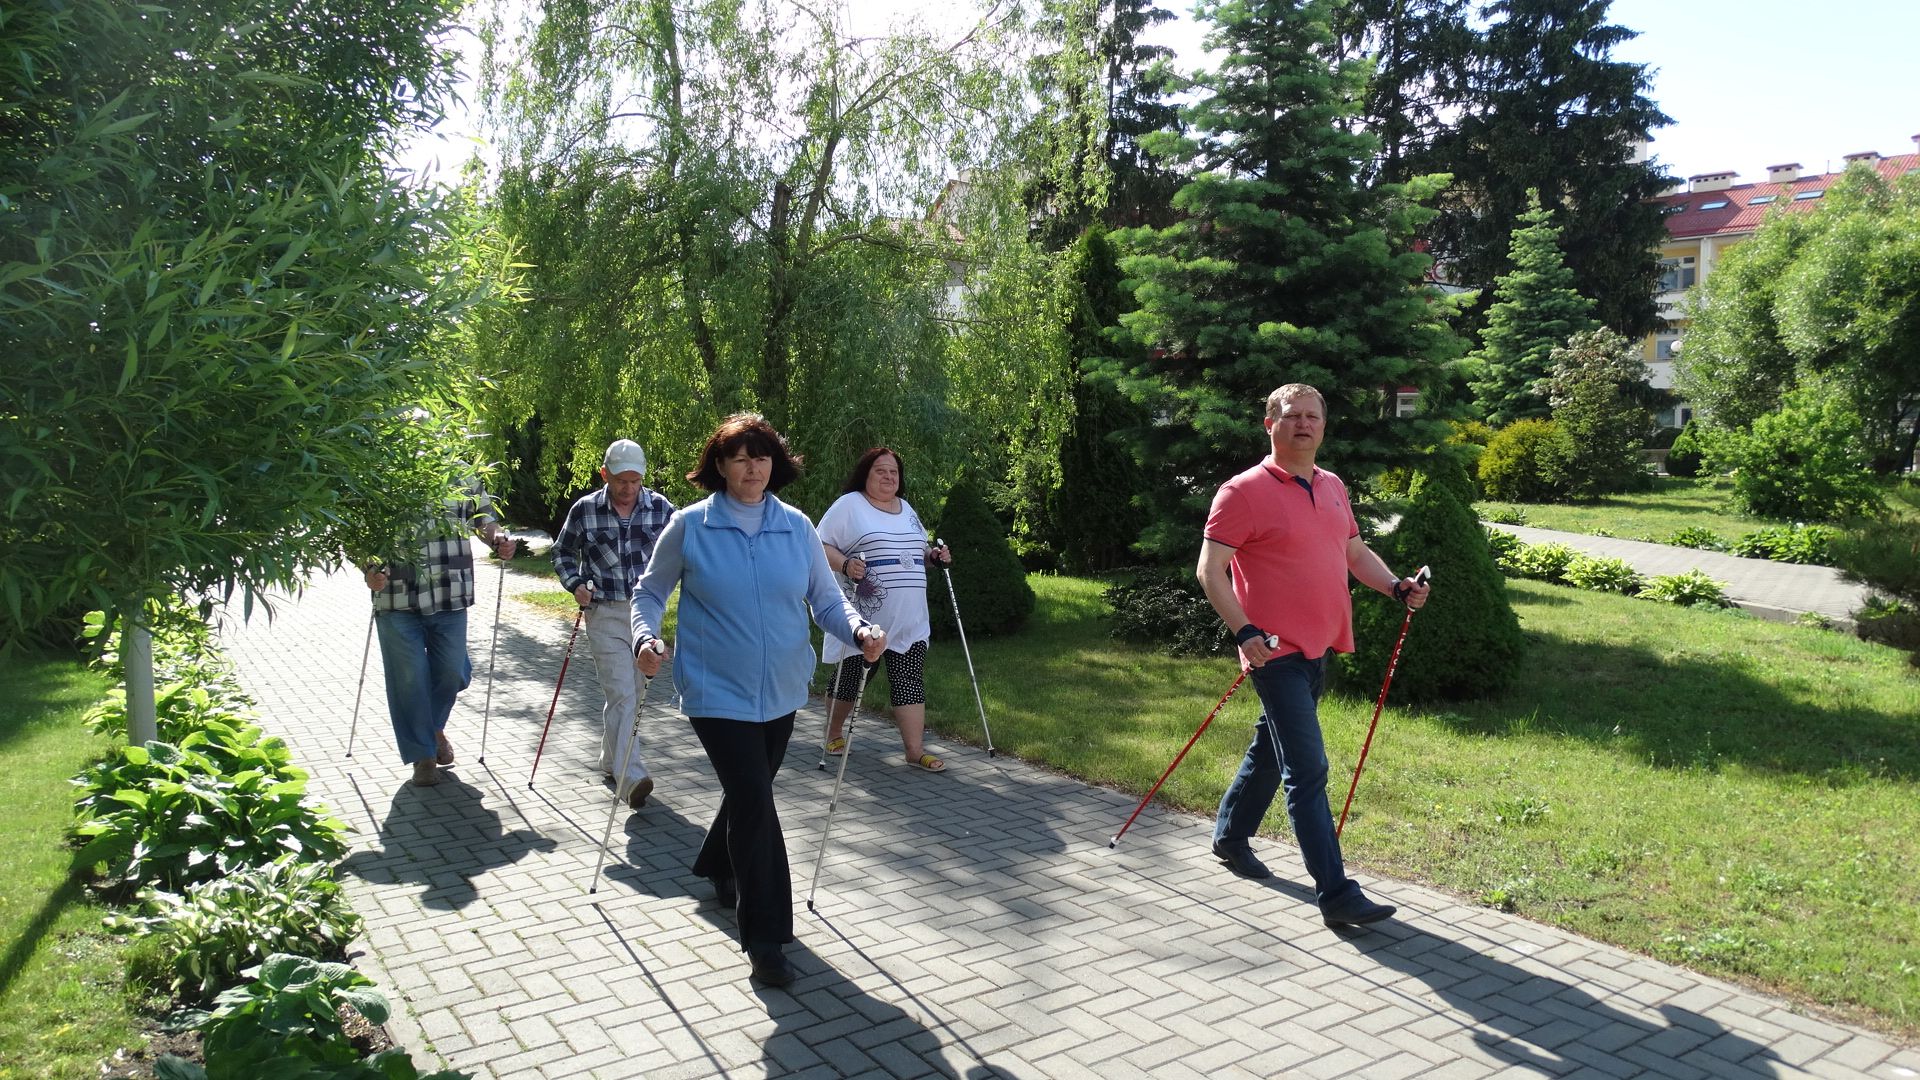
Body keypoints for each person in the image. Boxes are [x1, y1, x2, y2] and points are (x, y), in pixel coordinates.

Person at [632, 414, 884, 988]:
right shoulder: (690, 526)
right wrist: (644, 638)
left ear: (776, 464)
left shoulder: (795, 527)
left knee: (752, 791)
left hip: (782, 690)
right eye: (740, 458)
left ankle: (717, 864)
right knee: (754, 801)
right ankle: (767, 938)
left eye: (762, 457)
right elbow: (648, 593)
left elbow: (826, 600)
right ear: (720, 466)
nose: (752, 468)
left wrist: (858, 630)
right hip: (715, 691)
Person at [1197, 383, 1431, 928]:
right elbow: (1210, 571)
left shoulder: (1332, 485)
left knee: (1270, 749)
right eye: (1291, 415)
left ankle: (1230, 836)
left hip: (1319, 645)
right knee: (1307, 769)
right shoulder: (1241, 492)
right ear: (1270, 424)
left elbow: (1353, 551)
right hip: (1273, 651)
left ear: (1323, 426)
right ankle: (1337, 893)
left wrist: (1395, 586)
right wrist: (1244, 632)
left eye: (1312, 416)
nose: (1303, 424)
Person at [361, 477, 516, 787]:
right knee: (409, 679)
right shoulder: (380, 466)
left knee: (453, 672)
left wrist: (498, 538)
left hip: (450, 591)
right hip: (396, 595)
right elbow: (362, 528)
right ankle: (423, 756)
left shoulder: (464, 473)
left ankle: (433, 729)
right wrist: (368, 569)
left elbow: (483, 518)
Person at [550, 439, 677, 809]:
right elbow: (562, 552)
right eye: (621, 480)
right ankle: (630, 776)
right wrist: (575, 584)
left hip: (646, 613)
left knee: (633, 692)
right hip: (603, 612)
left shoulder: (661, 508)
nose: (629, 488)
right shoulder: (585, 509)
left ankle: (610, 760)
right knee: (621, 692)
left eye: (636, 481)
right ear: (605, 475)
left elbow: (685, 549)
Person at [816, 447, 953, 772]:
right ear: (865, 474)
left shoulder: (907, 510)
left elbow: (918, 551)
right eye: (881, 470)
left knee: (909, 679)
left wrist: (934, 557)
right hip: (865, 619)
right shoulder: (849, 505)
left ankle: (914, 751)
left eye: (894, 472)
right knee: (851, 678)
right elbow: (818, 545)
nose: (889, 477)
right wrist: (845, 564)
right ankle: (832, 733)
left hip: (910, 619)